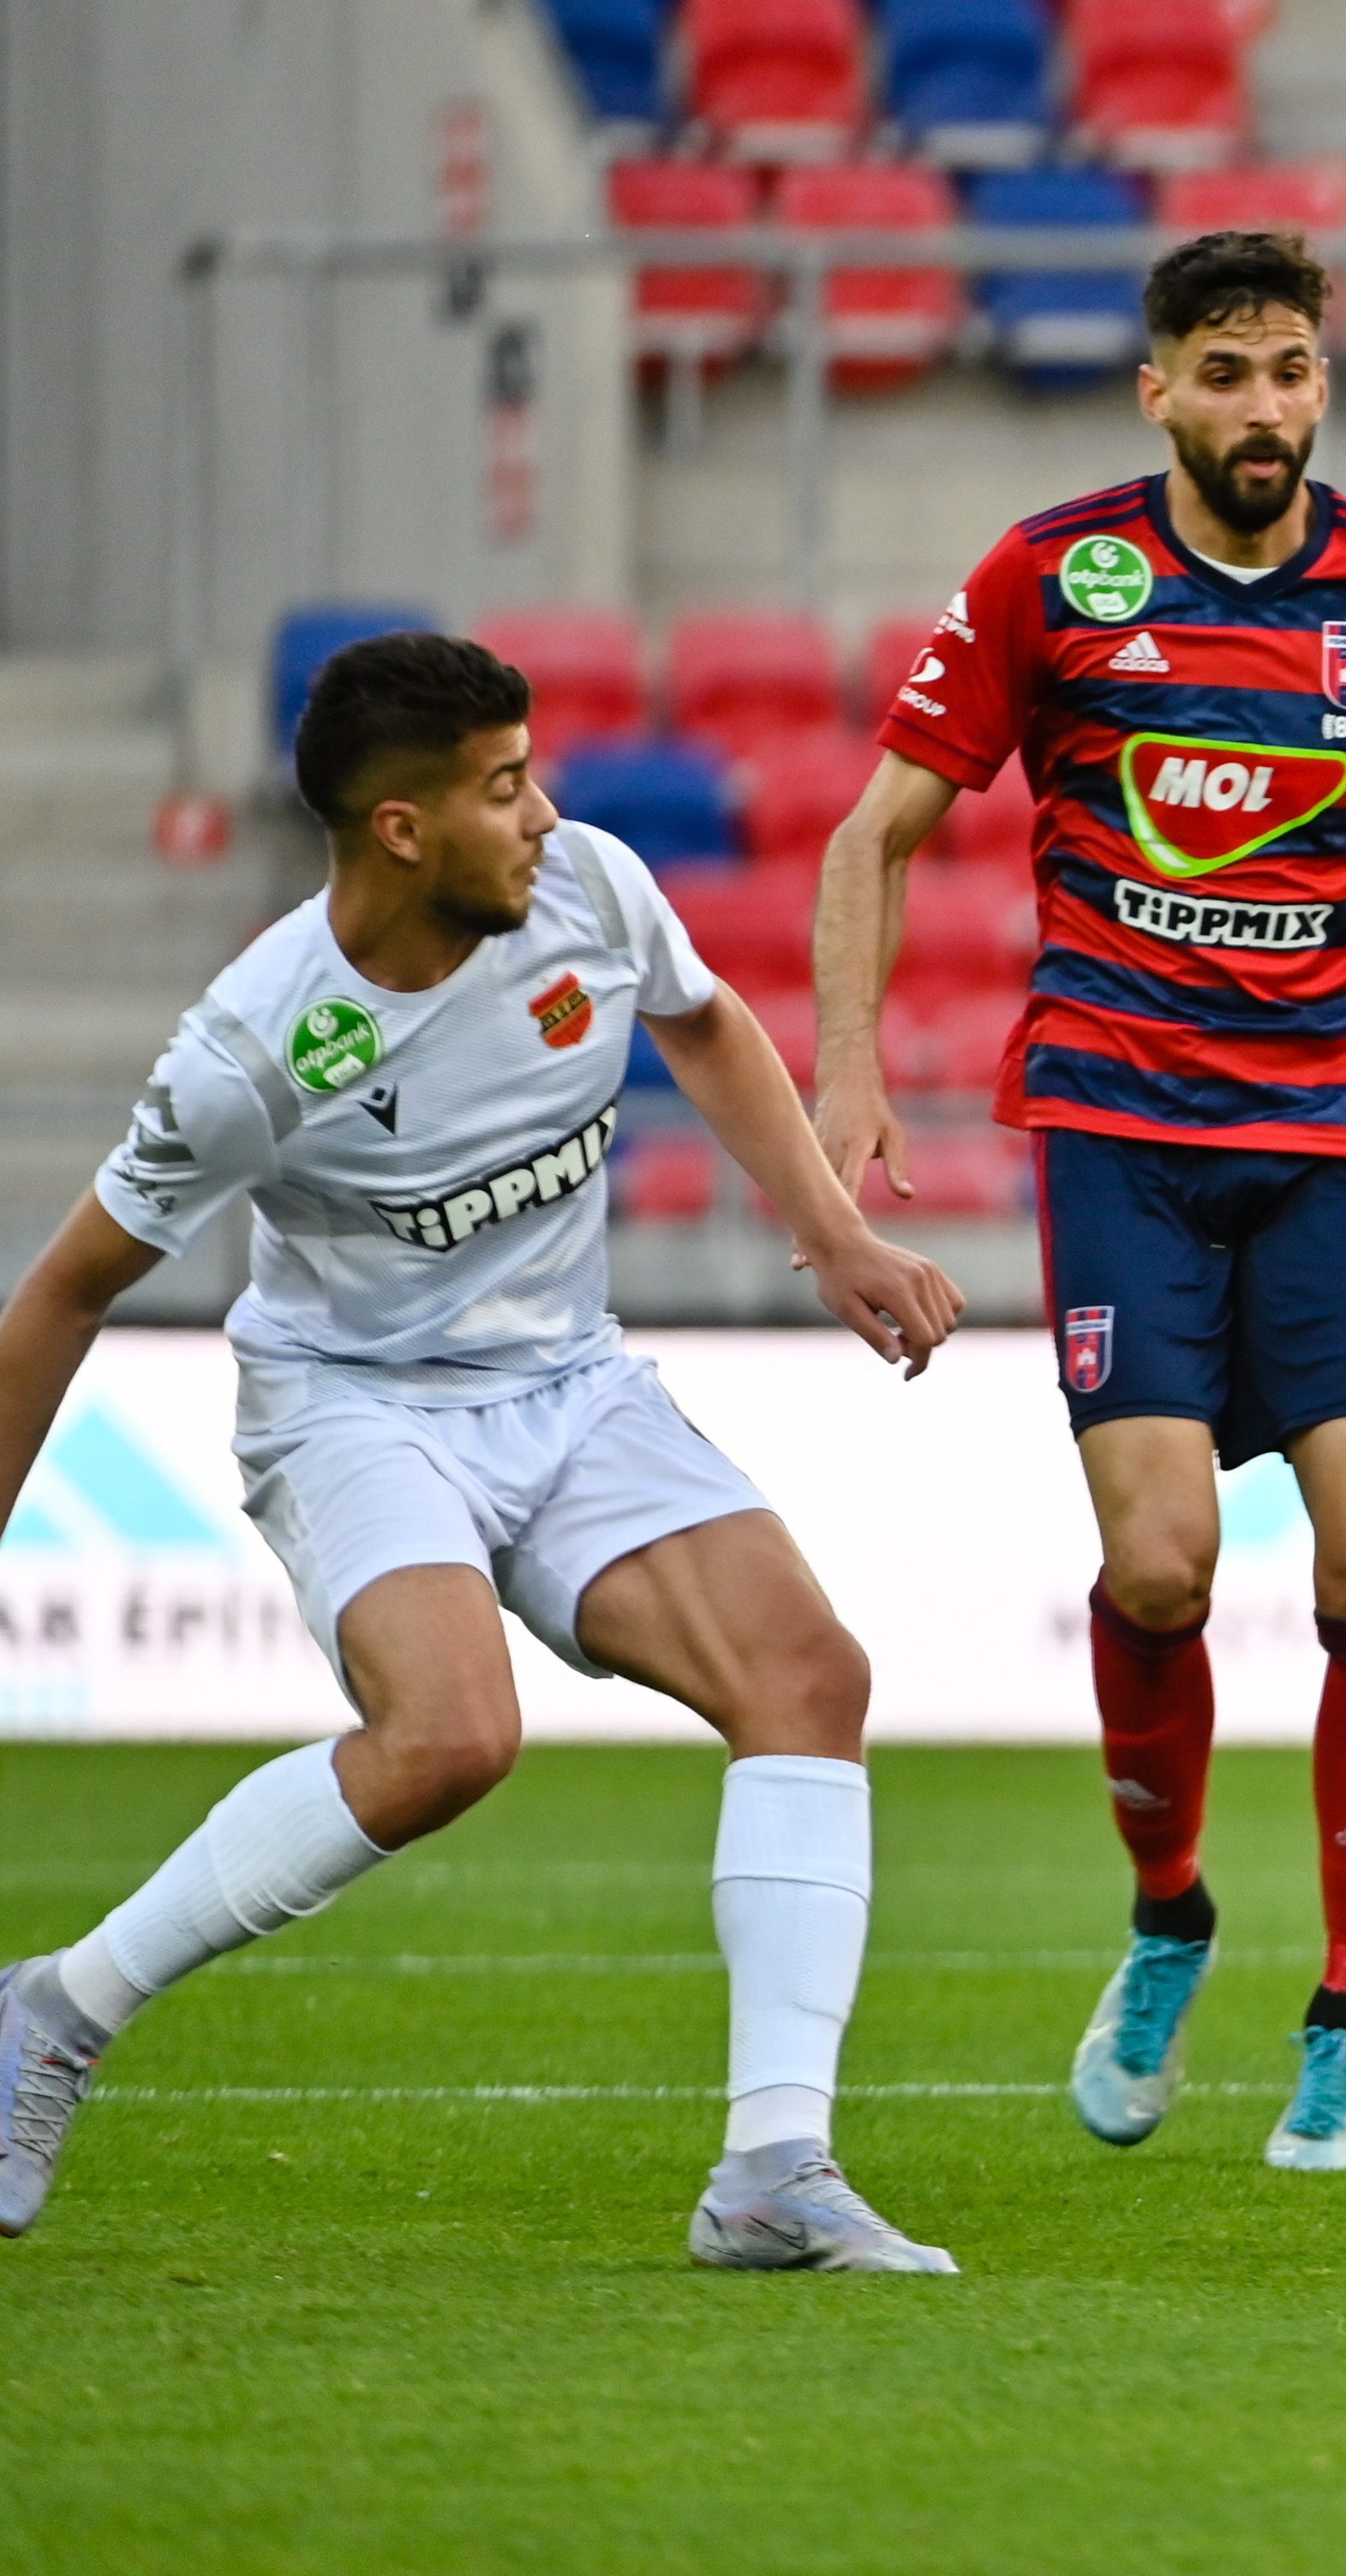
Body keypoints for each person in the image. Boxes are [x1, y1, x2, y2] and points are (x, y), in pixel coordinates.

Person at [0, 634, 968, 2267]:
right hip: (354, 1401)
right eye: (505, 787)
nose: (545, 815)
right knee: (450, 1737)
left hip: (567, 1382)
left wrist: (831, 1232)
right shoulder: (255, 1047)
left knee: (810, 1676)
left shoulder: (591, 889)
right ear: (401, 828)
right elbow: (66, 1289)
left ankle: (770, 2172)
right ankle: (57, 2007)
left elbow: (707, 1023)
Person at [807, 229, 1346, 2176]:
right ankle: (1169, 1920)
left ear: (1325, 385)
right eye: (1226, 373)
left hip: (1336, 1138)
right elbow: (875, 831)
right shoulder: (1054, 577)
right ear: (1155, 387)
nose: (1264, 406)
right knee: (1160, 1567)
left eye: (1292, 371)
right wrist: (847, 1068)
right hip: (1120, 1125)